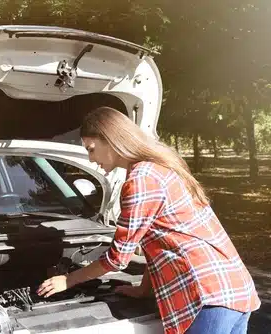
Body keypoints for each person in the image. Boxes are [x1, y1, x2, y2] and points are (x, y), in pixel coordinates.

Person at [37, 107, 260, 334]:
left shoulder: (140, 180)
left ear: (111, 139)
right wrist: (144, 290)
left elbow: (117, 258)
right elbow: (160, 243)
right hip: (233, 289)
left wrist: (69, 280)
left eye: (91, 149)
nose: (91, 159)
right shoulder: (159, 168)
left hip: (207, 297)